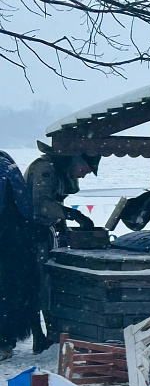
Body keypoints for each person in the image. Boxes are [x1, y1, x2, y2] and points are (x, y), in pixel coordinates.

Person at [24, 144, 100, 351]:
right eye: (84, 169)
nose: (83, 175)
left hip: (43, 233)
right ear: (76, 160)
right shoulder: (44, 169)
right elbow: (41, 204)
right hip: (28, 235)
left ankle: (51, 334)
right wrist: (73, 214)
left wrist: (65, 232)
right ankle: (39, 336)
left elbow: (54, 208)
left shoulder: (57, 171)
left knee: (47, 284)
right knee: (37, 284)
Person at [0, 151, 40, 360]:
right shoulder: (8, 168)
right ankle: (5, 340)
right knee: (11, 291)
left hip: (10, 241)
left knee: (7, 291)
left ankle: (4, 341)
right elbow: (26, 210)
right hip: (15, 241)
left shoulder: (5, 169)